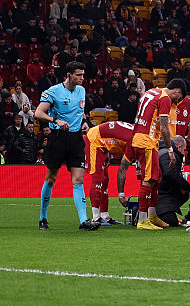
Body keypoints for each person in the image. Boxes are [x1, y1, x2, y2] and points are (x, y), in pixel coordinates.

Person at [34, 61, 100, 231]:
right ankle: (43, 218)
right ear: (69, 75)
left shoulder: (82, 91)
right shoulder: (53, 91)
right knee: (51, 179)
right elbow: (38, 112)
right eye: (79, 75)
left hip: (76, 139)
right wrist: (55, 120)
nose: (82, 78)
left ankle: (84, 221)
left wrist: (84, 122)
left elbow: (80, 111)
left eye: (83, 75)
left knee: (78, 179)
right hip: (58, 138)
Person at [117, 78, 190, 230]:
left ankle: (152, 215)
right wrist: (170, 150)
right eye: (179, 98)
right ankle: (143, 220)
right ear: (177, 91)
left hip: (137, 137)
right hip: (147, 142)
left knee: (157, 179)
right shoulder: (165, 98)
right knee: (149, 180)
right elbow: (164, 128)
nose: (177, 102)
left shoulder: (150, 92)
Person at [83, 119, 134, 225]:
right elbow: (122, 170)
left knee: (105, 180)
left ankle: (105, 216)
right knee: (98, 179)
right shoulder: (134, 141)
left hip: (104, 145)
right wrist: (121, 195)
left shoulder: (137, 135)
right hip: (94, 141)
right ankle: (96, 217)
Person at [154, 135, 190, 227]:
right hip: (161, 195)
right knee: (171, 221)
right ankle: (157, 213)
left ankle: (164, 211)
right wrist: (185, 186)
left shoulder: (161, 151)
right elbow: (169, 173)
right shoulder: (168, 155)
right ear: (179, 147)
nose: (184, 152)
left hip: (160, 193)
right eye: (184, 149)